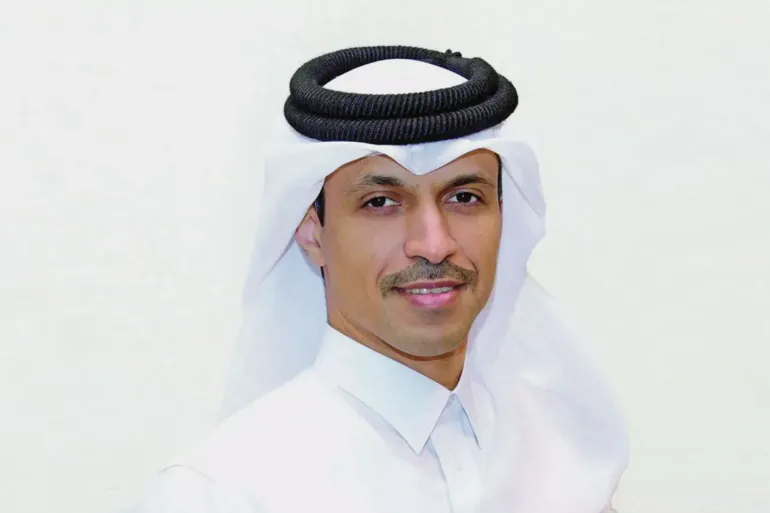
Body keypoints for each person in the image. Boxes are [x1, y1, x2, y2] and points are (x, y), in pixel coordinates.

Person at [131, 46, 628, 513]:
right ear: (311, 231)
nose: (434, 244)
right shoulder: (222, 494)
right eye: (381, 203)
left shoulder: (565, 456)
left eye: (464, 198)